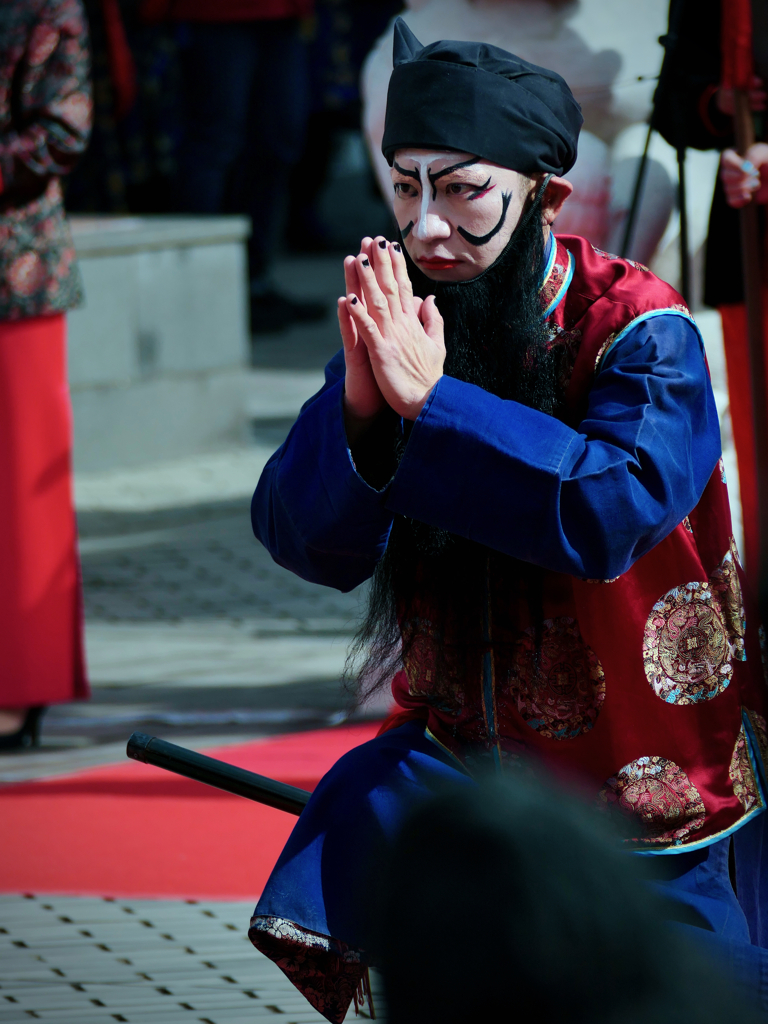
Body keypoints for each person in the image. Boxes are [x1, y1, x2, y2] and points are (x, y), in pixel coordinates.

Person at [249, 20, 768, 1021]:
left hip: (645, 779)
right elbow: (303, 541)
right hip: (462, 764)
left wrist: (433, 404)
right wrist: (362, 414)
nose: (429, 228)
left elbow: (604, 511)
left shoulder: (642, 330)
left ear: (548, 197)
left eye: (462, 190)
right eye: (406, 187)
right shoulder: (407, 317)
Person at [0, 0, 92, 748]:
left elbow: (62, 130)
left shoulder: (43, 3)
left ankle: (19, 686)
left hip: (13, 270)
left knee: (21, 492)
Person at [166, 0, 327, 334]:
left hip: (284, 11)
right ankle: (200, 292)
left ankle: (254, 283)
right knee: (215, 143)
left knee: (278, 141)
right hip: (219, 13)